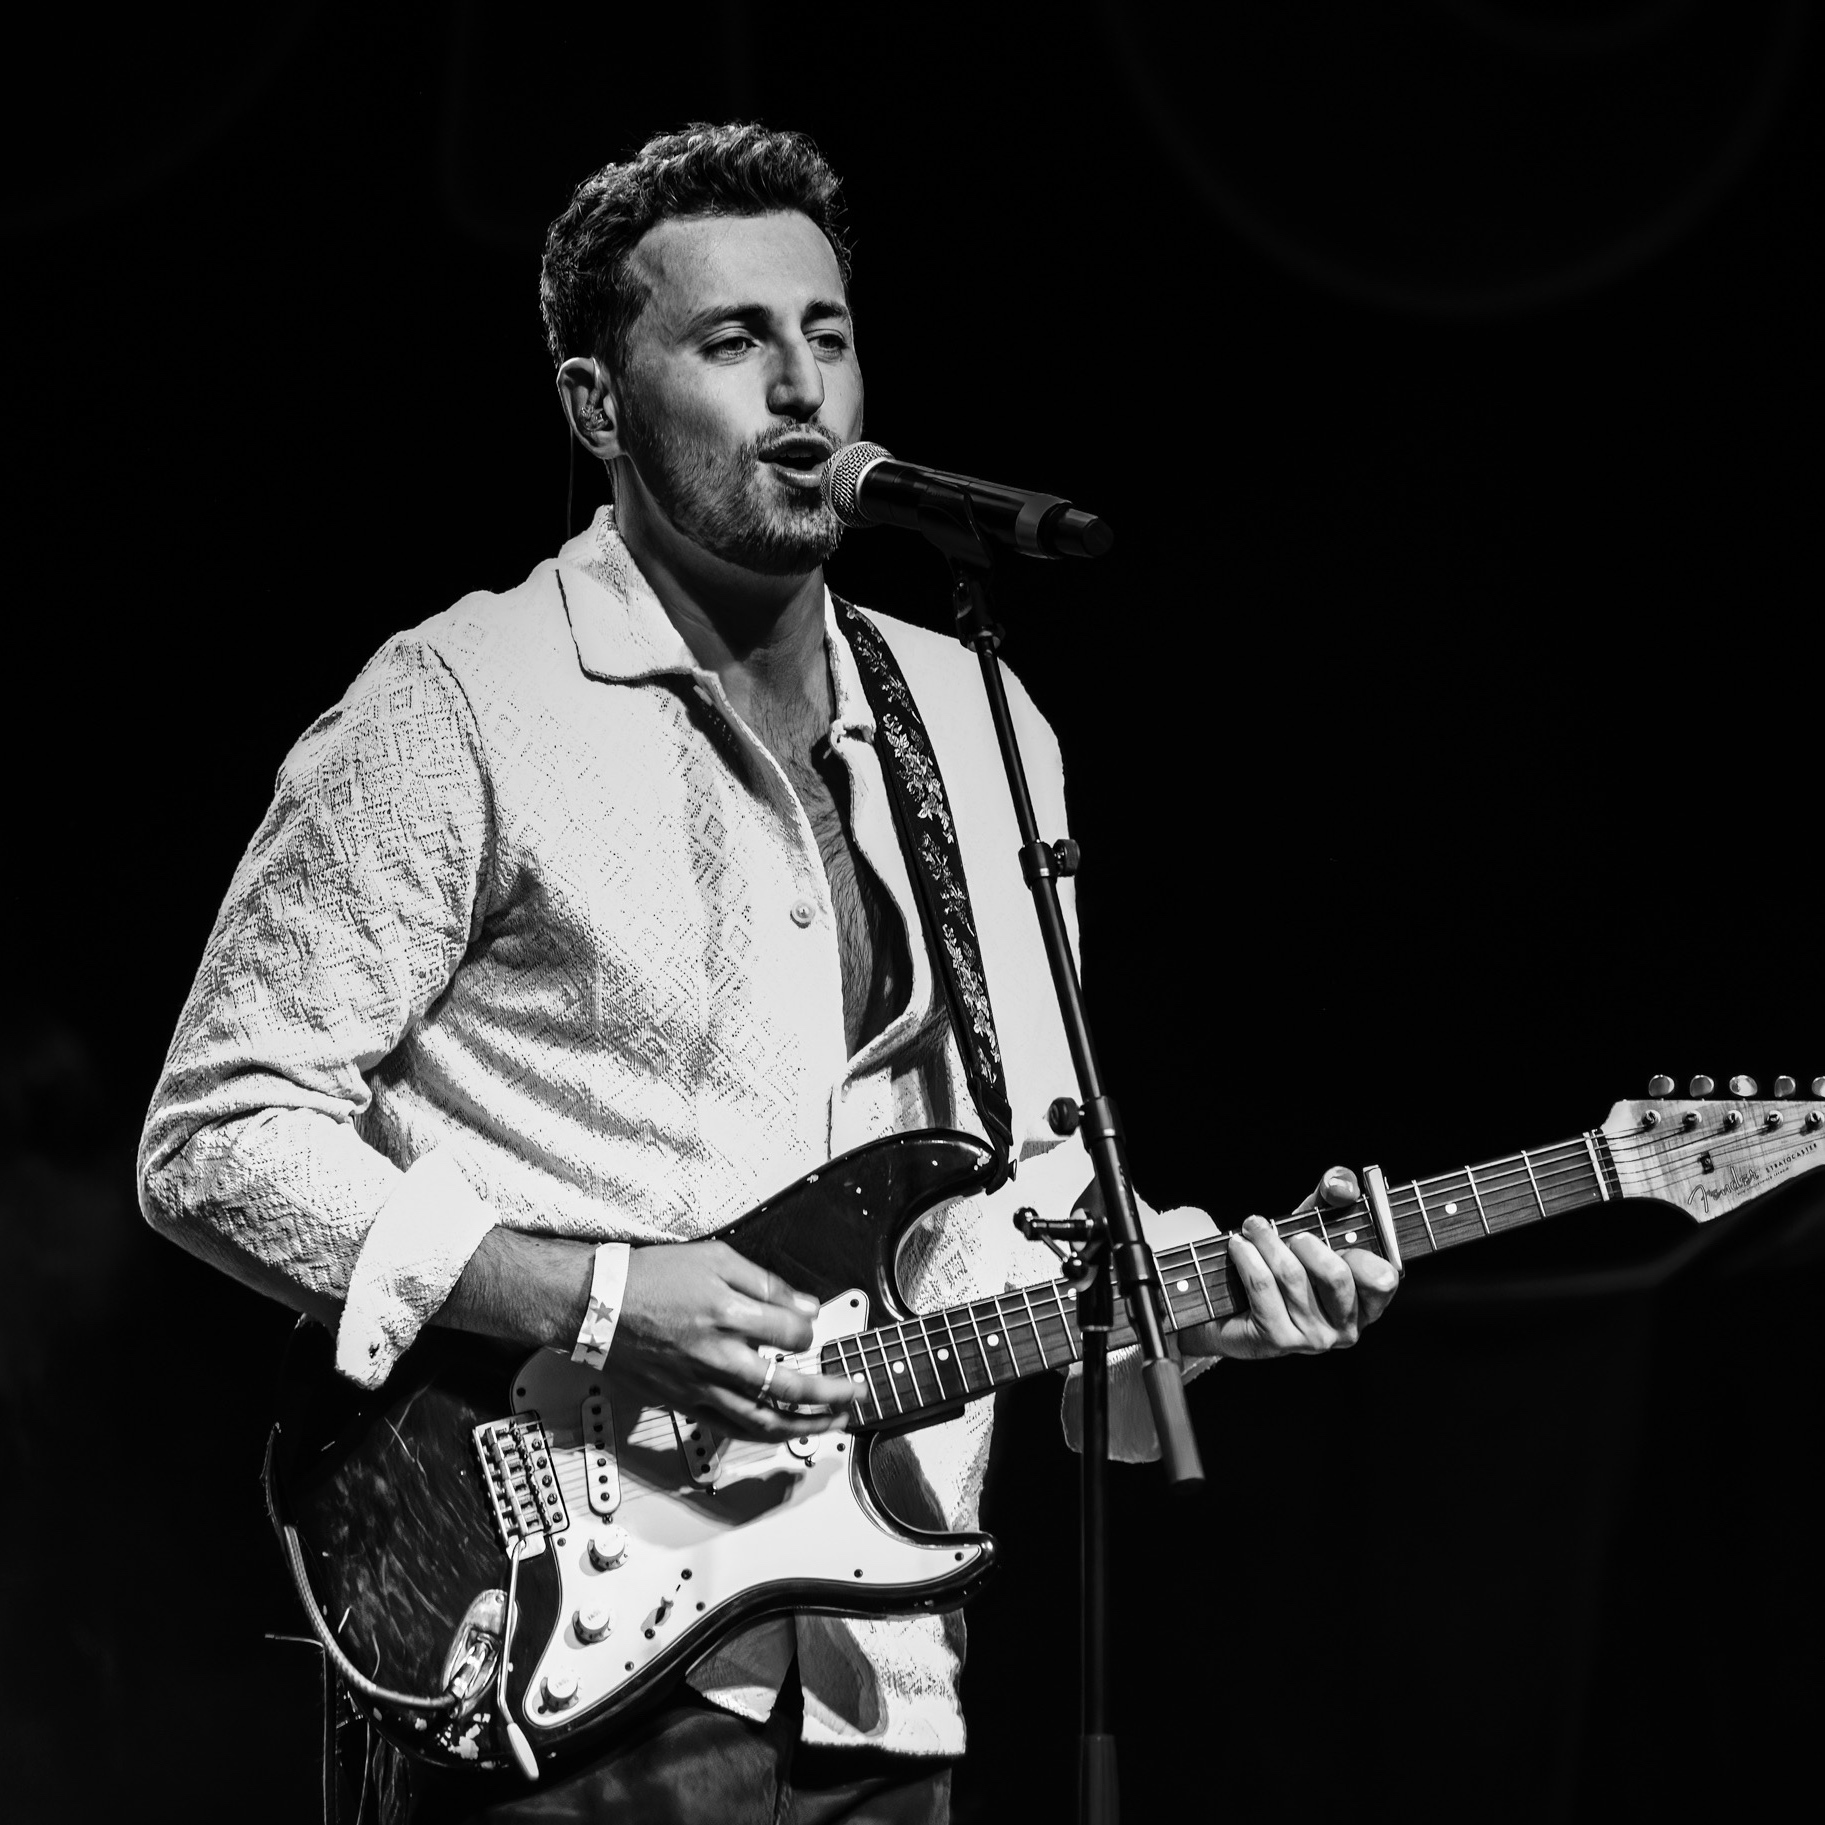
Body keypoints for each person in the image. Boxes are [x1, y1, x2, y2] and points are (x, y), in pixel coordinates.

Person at [138, 122, 1398, 1824]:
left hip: (884, 1675)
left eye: (826, 334)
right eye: (732, 341)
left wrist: (1198, 1310)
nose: (800, 389)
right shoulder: (460, 703)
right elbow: (215, 1140)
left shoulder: (979, 723)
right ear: (597, 405)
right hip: (551, 1651)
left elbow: (1008, 1223)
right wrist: (595, 1297)